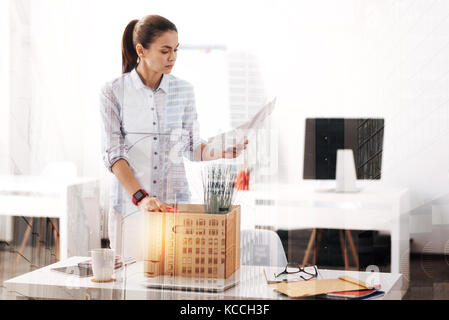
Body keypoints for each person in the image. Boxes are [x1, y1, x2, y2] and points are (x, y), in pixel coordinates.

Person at [99, 15, 247, 254]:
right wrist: (142, 197)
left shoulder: (184, 90)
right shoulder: (114, 91)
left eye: (176, 50)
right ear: (141, 50)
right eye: (165, 50)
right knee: (132, 284)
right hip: (131, 208)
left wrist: (220, 151)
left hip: (174, 208)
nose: (173, 57)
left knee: (173, 280)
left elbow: (190, 147)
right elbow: (114, 154)